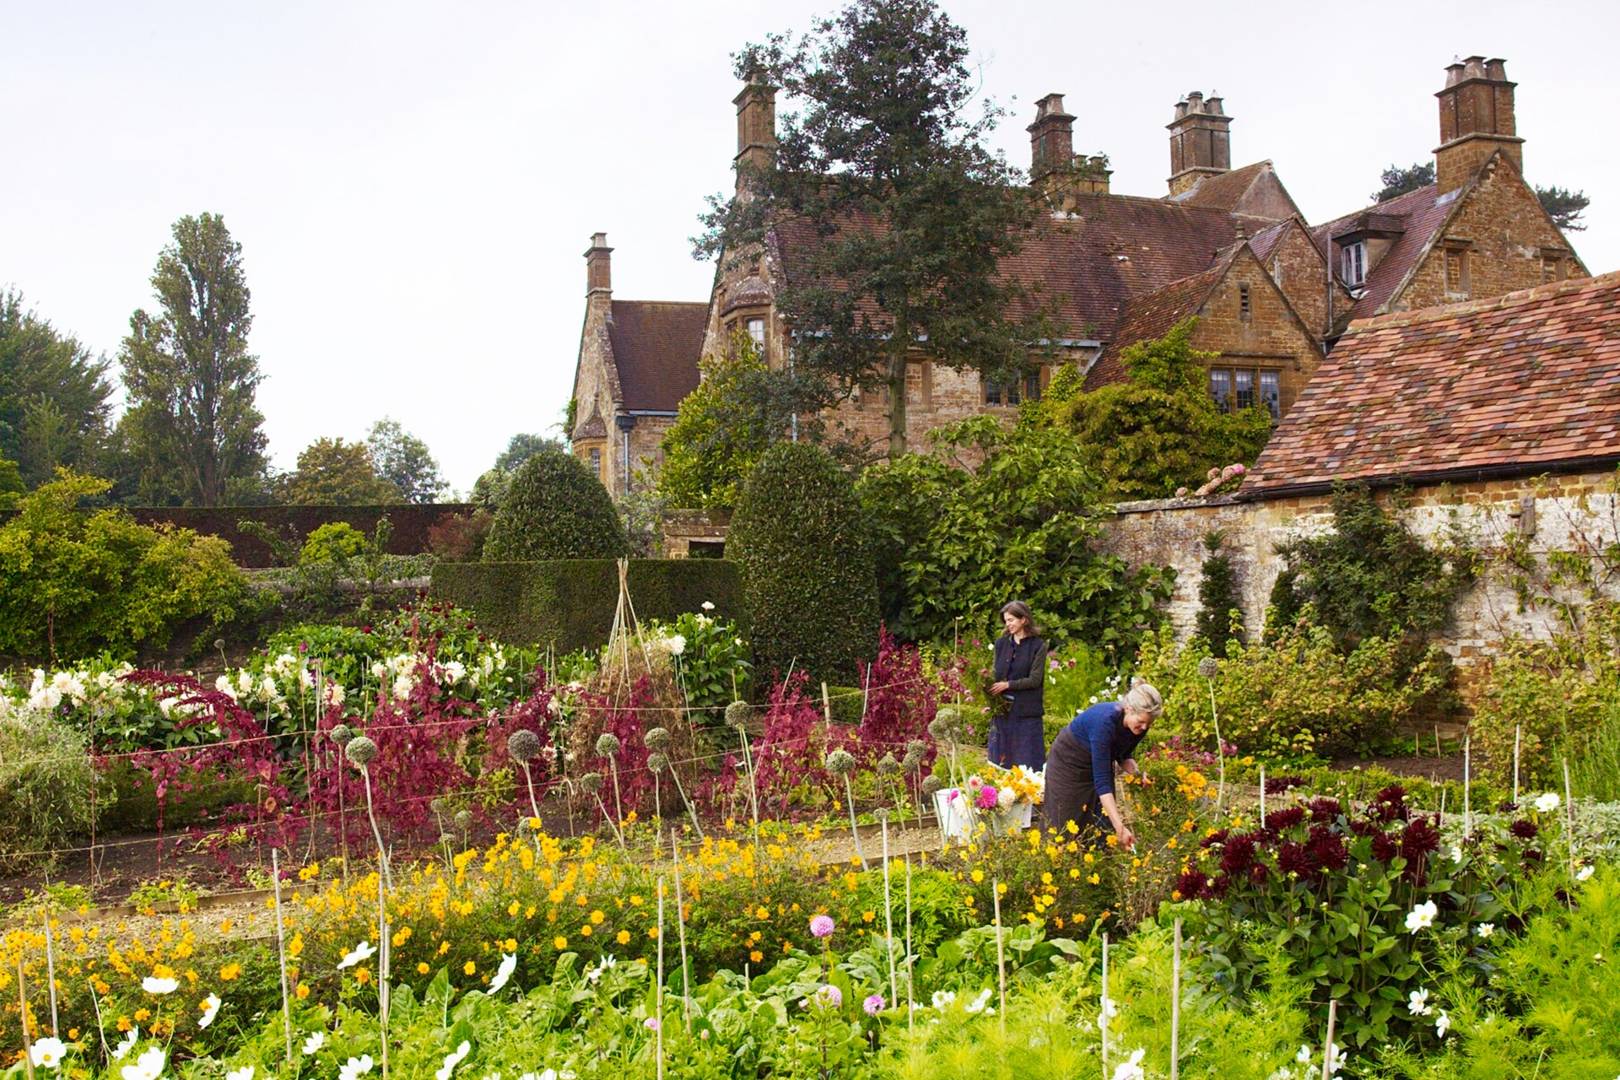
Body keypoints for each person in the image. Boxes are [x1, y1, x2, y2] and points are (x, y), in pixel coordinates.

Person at [1043, 679, 1163, 849]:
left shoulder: (1140, 726)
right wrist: (1120, 828)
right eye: (1141, 721)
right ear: (1128, 709)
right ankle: (1055, 869)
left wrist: (1137, 774)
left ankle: (1098, 871)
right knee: (1063, 827)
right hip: (1068, 766)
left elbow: (1123, 755)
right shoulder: (1104, 723)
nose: (1144, 727)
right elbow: (1102, 782)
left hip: (1097, 762)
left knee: (1101, 825)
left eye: (1149, 724)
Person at [987, 601, 1048, 770]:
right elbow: (996, 677)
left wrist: (1008, 685)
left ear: (1024, 620)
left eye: (1011, 620)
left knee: (1028, 763)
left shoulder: (1038, 646)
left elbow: (1035, 680)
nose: (1008, 624)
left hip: (1027, 713)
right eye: (1006, 620)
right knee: (1001, 761)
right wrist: (990, 703)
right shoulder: (1001, 644)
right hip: (1003, 713)